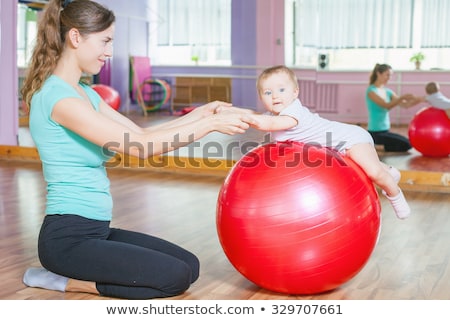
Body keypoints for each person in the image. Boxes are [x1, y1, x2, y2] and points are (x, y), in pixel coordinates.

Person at [20, 0, 253, 300]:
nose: (109, 52)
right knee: (175, 278)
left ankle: (73, 273)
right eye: (104, 41)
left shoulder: (86, 94)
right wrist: (210, 126)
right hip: (67, 240)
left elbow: (139, 133)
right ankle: (63, 281)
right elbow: (140, 148)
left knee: (189, 265)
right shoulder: (59, 100)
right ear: (75, 37)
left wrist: (203, 113)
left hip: (97, 231)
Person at [217, 65, 410, 219]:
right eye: (267, 93)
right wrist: (229, 112)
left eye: (281, 89)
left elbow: (269, 123)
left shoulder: (293, 112)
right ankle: (388, 171)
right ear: (261, 97)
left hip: (350, 139)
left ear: (295, 92)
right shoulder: (274, 112)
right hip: (337, 146)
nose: (275, 96)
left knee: (374, 173)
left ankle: (395, 195)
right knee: (370, 165)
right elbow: (256, 114)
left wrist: (247, 119)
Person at [366, 63, 420, 152]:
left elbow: (405, 105)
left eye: (390, 75)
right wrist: (401, 97)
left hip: (385, 130)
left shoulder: (388, 92)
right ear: (379, 74)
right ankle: (377, 146)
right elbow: (386, 106)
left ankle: (377, 146)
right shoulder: (371, 91)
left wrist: (421, 99)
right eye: (387, 75)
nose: (389, 78)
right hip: (375, 132)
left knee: (409, 142)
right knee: (406, 144)